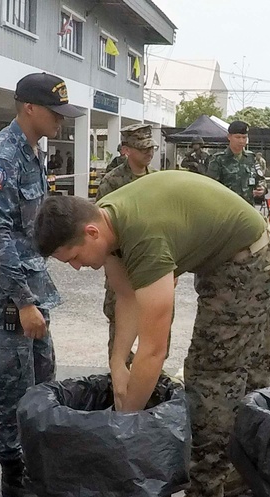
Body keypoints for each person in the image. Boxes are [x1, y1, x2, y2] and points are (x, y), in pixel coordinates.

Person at [33, 170, 270, 497]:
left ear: (90, 233)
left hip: (249, 266)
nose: (75, 267)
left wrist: (125, 424)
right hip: (232, 257)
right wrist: (117, 364)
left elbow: (153, 350)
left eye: (73, 257)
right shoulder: (105, 221)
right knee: (240, 371)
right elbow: (126, 296)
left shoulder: (143, 239)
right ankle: (240, 469)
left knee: (212, 377)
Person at [0, 72, 84, 497]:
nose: (61, 120)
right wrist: (22, 301)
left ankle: (35, 460)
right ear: (29, 108)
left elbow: (32, 227)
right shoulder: (0, 157)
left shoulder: (33, 152)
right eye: (55, 112)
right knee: (9, 382)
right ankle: (13, 473)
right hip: (8, 295)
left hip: (31, 287)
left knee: (40, 376)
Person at [96, 123, 158, 358]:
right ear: (126, 150)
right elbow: (101, 225)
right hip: (121, 263)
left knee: (152, 321)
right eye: (143, 148)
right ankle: (119, 375)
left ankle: (149, 376)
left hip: (150, 263)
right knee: (121, 323)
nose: (149, 153)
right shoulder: (113, 181)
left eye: (151, 148)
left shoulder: (156, 179)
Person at [207, 120, 266, 204]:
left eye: (244, 137)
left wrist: (262, 188)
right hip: (227, 208)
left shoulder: (251, 158)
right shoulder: (218, 159)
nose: (241, 141)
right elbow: (211, 186)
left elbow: (261, 179)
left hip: (247, 207)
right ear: (229, 137)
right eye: (238, 137)